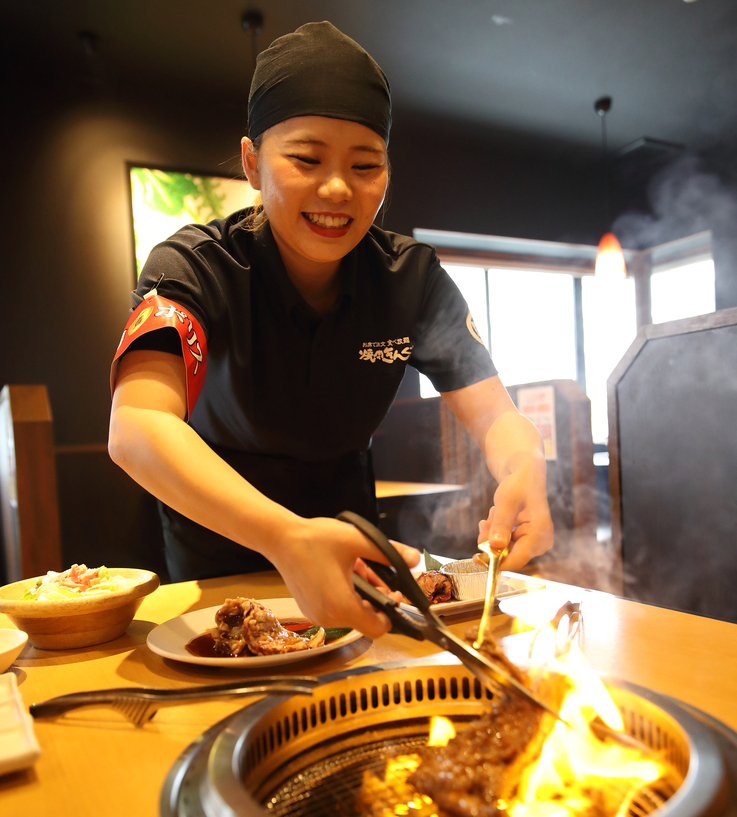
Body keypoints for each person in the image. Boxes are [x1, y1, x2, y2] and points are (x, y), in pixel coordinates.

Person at [108, 21, 553, 639]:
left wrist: (526, 464)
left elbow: (496, 415)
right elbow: (135, 428)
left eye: (366, 164)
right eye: (306, 158)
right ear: (251, 161)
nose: (338, 188)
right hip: (221, 550)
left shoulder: (409, 278)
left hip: (352, 547)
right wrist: (286, 538)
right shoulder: (195, 267)